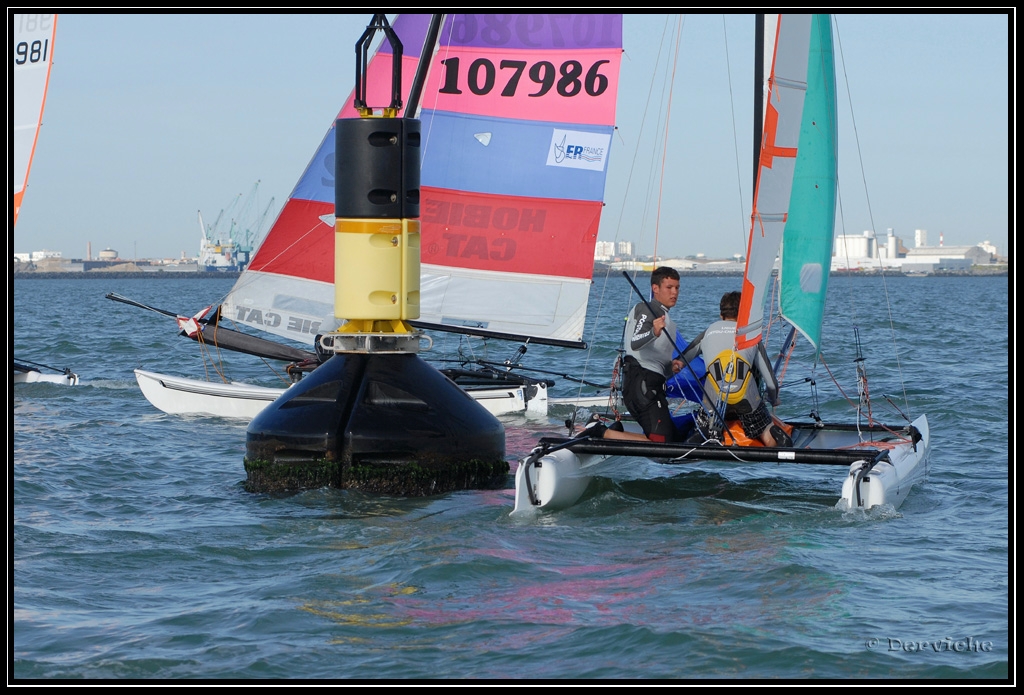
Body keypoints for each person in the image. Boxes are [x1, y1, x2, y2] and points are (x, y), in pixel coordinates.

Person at [583, 266, 691, 443]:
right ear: (655, 289)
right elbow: (635, 341)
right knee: (662, 442)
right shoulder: (647, 308)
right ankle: (600, 431)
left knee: (673, 438)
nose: (674, 292)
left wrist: (671, 367)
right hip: (642, 385)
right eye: (669, 287)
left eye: (677, 288)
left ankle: (616, 431)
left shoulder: (666, 319)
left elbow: (656, 358)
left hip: (653, 386)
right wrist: (653, 332)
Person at [680, 290, 791, 447]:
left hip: (714, 400)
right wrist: (773, 399)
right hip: (745, 399)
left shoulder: (708, 332)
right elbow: (771, 383)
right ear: (744, 315)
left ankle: (703, 433)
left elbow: (681, 361)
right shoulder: (751, 337)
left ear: (721, 315)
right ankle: (772, 435)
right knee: (764, 429)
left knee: (704, 419)